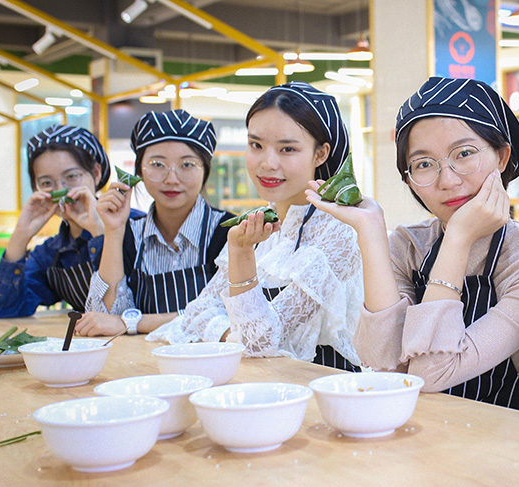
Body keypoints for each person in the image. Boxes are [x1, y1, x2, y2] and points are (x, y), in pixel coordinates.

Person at [309, 77, 519, 414]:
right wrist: (371, 231)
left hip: (508, 437)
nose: (447, 180)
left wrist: (458, 238)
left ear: (502, 157)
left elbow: (431, 374)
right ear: (409, 180)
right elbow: (382, 363)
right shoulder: (408, 245)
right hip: (415, 430)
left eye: (464, 154)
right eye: (423, 164)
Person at [147, 82, 362, 372]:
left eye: (287, 149)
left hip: (331, 389)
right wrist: (235, 334)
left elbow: (259, 343)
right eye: (256, 145)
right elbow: (195, 313)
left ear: (320, 154)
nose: (267, 163)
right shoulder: (259, 224)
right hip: (267, 384)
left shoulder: (339, 231)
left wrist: (240, 253)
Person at [78, 109, 233, 336]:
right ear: (139, 171)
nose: (171, 178)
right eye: (157, 164)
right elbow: (105, 318)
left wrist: (132, 323)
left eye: (187, 164)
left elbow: (226, 317)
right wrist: (113, 230)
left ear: (205, 171)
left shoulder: (229, 232)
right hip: (141, 358)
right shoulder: (129, 234)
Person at [0, 125, 137, 317]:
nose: (61, 191)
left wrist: (100, 231)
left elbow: (136, 307)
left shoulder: (140, 226)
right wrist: (21, 235)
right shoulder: (50, 254)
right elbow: (2, 309)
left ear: (96, 173)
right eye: (47, 183)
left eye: (72, 176)